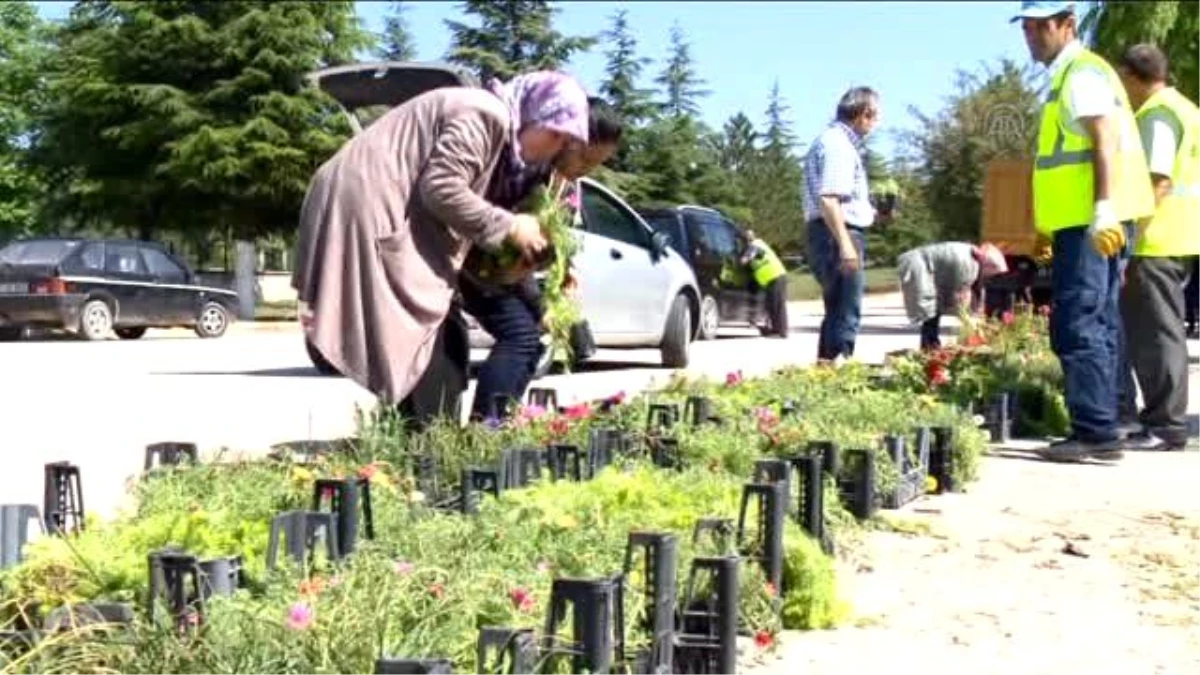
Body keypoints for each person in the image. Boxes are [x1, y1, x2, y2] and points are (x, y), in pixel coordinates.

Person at [291, 70, 590, 428]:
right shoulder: (486, 114)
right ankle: (427, 440)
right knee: (423, 328)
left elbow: (458, 204)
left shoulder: (497, 130)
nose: (555, 148)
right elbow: (442, 188)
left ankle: (424, 436)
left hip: (378, 202)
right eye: (555, 133)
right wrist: (510, 226)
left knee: (435, 328)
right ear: (534, 113)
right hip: (366, 202)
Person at [1014, 1, 1156, 462]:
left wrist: (1102, 208)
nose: (1032, 35)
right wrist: (1048, 227)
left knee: (1079, 319)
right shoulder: (1073, 74)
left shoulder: (1081, 73)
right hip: (1084, 222)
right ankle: (1111, 419)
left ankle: (1095, 431)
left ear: (1067, 25)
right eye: (1027, 27)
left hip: (1093, 222)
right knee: (1100, 317)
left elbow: (1104, 141)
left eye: (1042, 26)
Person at [461, 96, 624, 420]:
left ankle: (502, 419)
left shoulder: (565, 188)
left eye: (597, 165)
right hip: (476, 264)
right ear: (568, 138)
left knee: (534, 339)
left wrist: (563, 271)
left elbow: (552, 243)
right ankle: (486, 426)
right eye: (585, 160)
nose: (585, 171)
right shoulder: (527, 169)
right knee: (520, 336)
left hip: (511, 273)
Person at [1115, 43, 1199, 451]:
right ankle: (1161, 421)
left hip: (1156, 240)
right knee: (1160, 332)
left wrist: (1130, 239)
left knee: (1157, 336)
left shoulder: (1158, 115)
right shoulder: (1184, 107)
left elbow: (1158, 181)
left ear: (1132, 76)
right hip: (1178, 236)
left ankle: (1165, 424)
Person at [803, 86, 881, 365]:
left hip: (828, 231)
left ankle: (825, 371)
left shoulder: (829, 141)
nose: (875, 124)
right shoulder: (838, 146)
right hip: (837, 233)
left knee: (836, 309)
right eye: (875, 117)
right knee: (846, 310)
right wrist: (846, 245)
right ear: (863, 114)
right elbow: (829, 199)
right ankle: (839, 366)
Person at [897, 242, 1010, 350]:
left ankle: (931, 345)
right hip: (919, 265)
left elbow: (969, 291)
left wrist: (973, 314)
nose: (990, 277)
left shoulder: (971, 258)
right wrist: (970, 323)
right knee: (930, 308)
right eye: (992, 273)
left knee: (935, 308)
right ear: (988, 265)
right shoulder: (968, 264)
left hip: (924, 267)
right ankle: (929, 346)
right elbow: (958, 295)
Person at [739, 230, 789, 338]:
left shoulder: (755, 245)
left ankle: (781, 332)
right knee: (771, 305)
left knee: (777, 305)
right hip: (771, 279)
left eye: (745, 239)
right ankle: (775, 329)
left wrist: (742, 259)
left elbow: (746, 259)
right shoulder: (756, 245)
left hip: (776, 276)